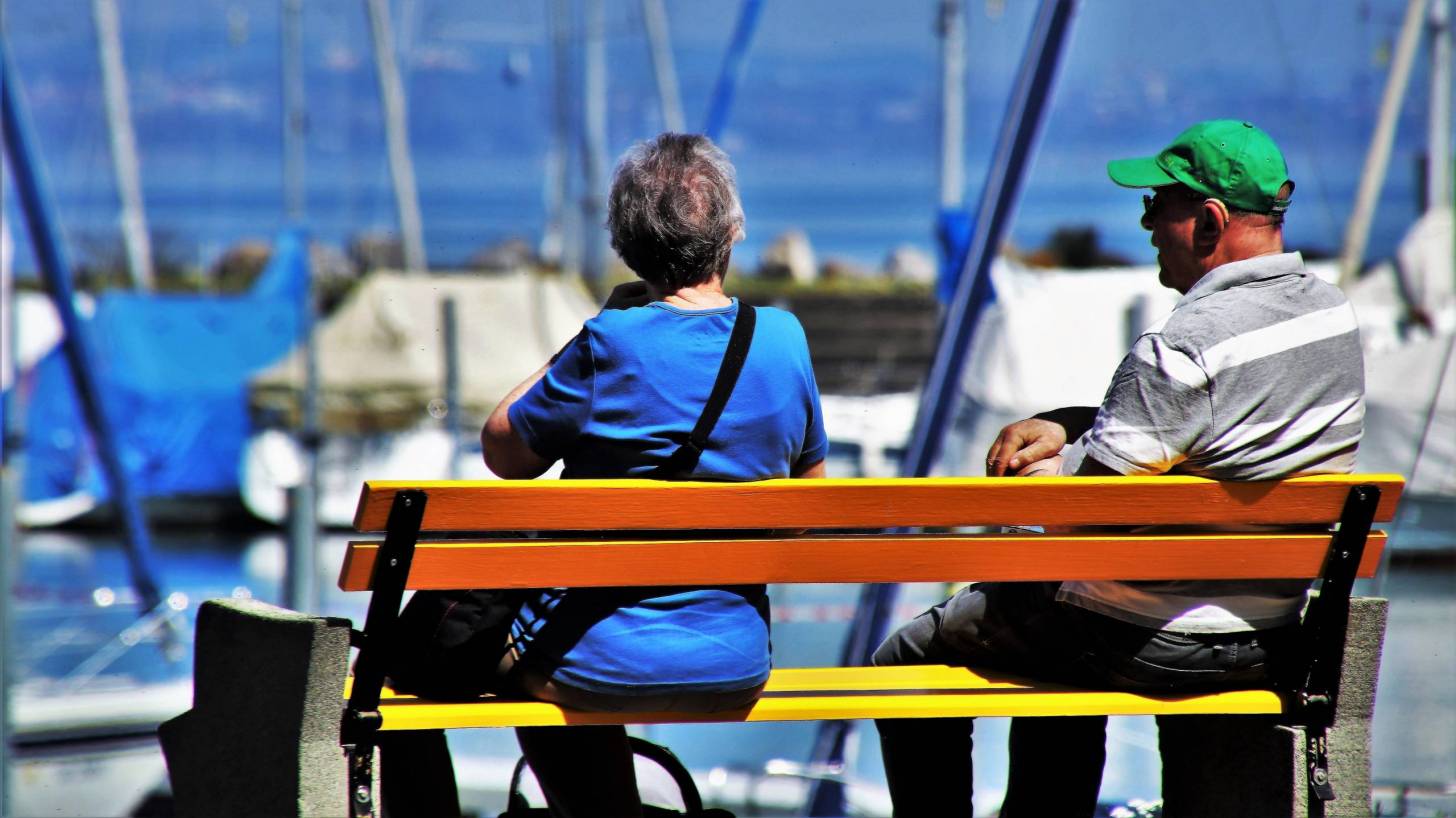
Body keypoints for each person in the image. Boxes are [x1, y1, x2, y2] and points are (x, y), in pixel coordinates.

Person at [873, 119, 1365, 817]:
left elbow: (1084, 520)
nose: (1144, 222)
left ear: (1209, 221)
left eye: (1157, 204)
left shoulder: (1184, 345)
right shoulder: (1332, 319)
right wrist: (1073, 424)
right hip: (1270, 634)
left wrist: (1037, 480)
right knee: (1057, 621)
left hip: (1154, 639)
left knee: (911, 656)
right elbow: (1207, 440)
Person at [381, 132, 828, 818]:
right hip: (736, 662)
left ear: (626, 248)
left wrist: (595, 327)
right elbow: (806, 506)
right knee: (558, 658)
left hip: (591, 666)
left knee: (400, 678)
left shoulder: (608, 343)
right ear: (733, 233)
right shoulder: (784, 338)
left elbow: (504, 453)